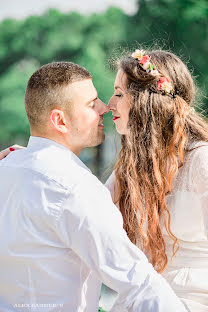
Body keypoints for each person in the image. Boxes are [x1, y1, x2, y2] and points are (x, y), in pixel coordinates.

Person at [0, 61, 187, 312]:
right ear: (60, 120)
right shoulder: (74, 188)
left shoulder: (9, 166)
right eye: (92, 104)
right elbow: (135, 279)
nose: (104, 108)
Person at [105, 49, 208, 312]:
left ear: (145, 100)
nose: (109, 104)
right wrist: (39, 160)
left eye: (119, 93)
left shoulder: (201, 160)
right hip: (144, 298)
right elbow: (83, 208)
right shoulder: (129, 169)